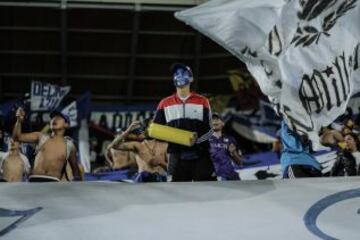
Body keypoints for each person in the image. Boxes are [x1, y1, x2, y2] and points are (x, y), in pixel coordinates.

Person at [153, 63, 215, 182]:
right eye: (176, 73)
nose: (179, 75)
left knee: (206, 192)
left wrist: (196, 141)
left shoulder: (202, 101)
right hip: (176, 158)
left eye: (183, 72)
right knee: (176, 194)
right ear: (173, 79)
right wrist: (173, 138)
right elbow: (156, 131)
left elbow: (210, 130)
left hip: (200, 156)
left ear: (191, 78)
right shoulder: (164, 103)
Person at [13, 108, 82, 182]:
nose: (54, 120)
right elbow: (17, 137)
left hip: (52, 183)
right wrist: (19, 121)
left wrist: (78, 188)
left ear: (66, 124)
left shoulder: (69, 145)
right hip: (34, 180)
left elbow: (75, 171)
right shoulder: (41, 137)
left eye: (58, 118)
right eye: (52, 118)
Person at [209, 113, 241, 181]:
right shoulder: (204, 140)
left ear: (223, 123)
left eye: (217, 119)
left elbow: (239, 162)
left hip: (231, 176)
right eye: (212, 120)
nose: (214, 121)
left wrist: (234, 152)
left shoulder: (230, 139)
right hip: (213, 177)